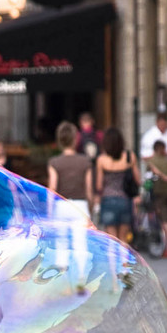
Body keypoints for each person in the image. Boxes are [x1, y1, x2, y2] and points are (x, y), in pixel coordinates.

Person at [47, 121, 94, 290]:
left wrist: (49, 210)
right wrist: (92, 207)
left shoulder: (55, 162)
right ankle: (80, 280)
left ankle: (62, 281)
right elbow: (89, 189)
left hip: (61, 205)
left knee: (61, 243)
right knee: (81, 244)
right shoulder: (85, 162)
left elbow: (52, 188)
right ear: (75, 139)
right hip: (80, 205)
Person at [95, 127, 141, 243]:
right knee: (123, 238)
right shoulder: (130, 157)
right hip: (125, 200)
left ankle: (113, 262)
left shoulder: (101, 160)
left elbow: (99, 185)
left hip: (108, 200)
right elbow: (138, 180)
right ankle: (124, 262)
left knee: (111, 240)